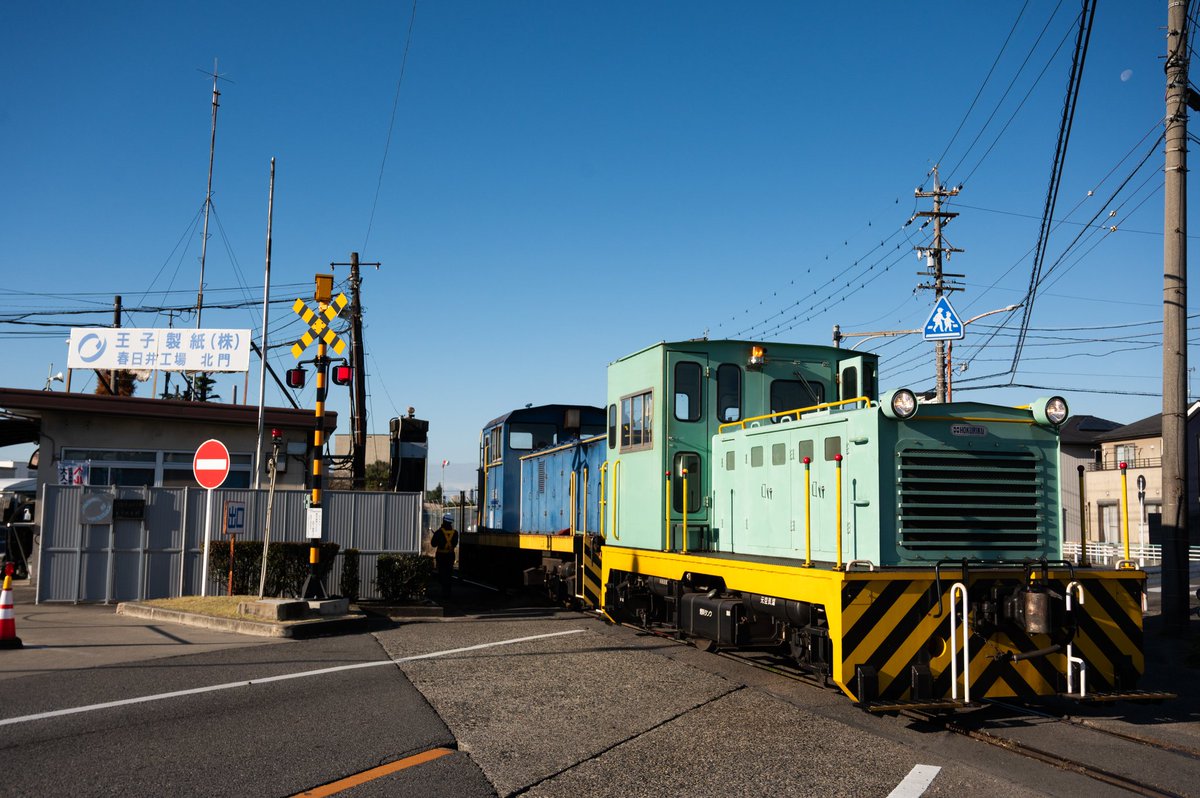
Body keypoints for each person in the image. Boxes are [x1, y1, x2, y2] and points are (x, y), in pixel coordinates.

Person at [431, 512, 458, 598]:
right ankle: (448, 591)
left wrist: (437, 536)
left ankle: (443, 590)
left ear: (443, 520)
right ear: (451, 522)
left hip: (441, 556)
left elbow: (433, 544)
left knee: (442, 572)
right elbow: (454, 544)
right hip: (450, 556)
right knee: (449, 573)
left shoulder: (439, 532)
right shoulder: (455, 533)